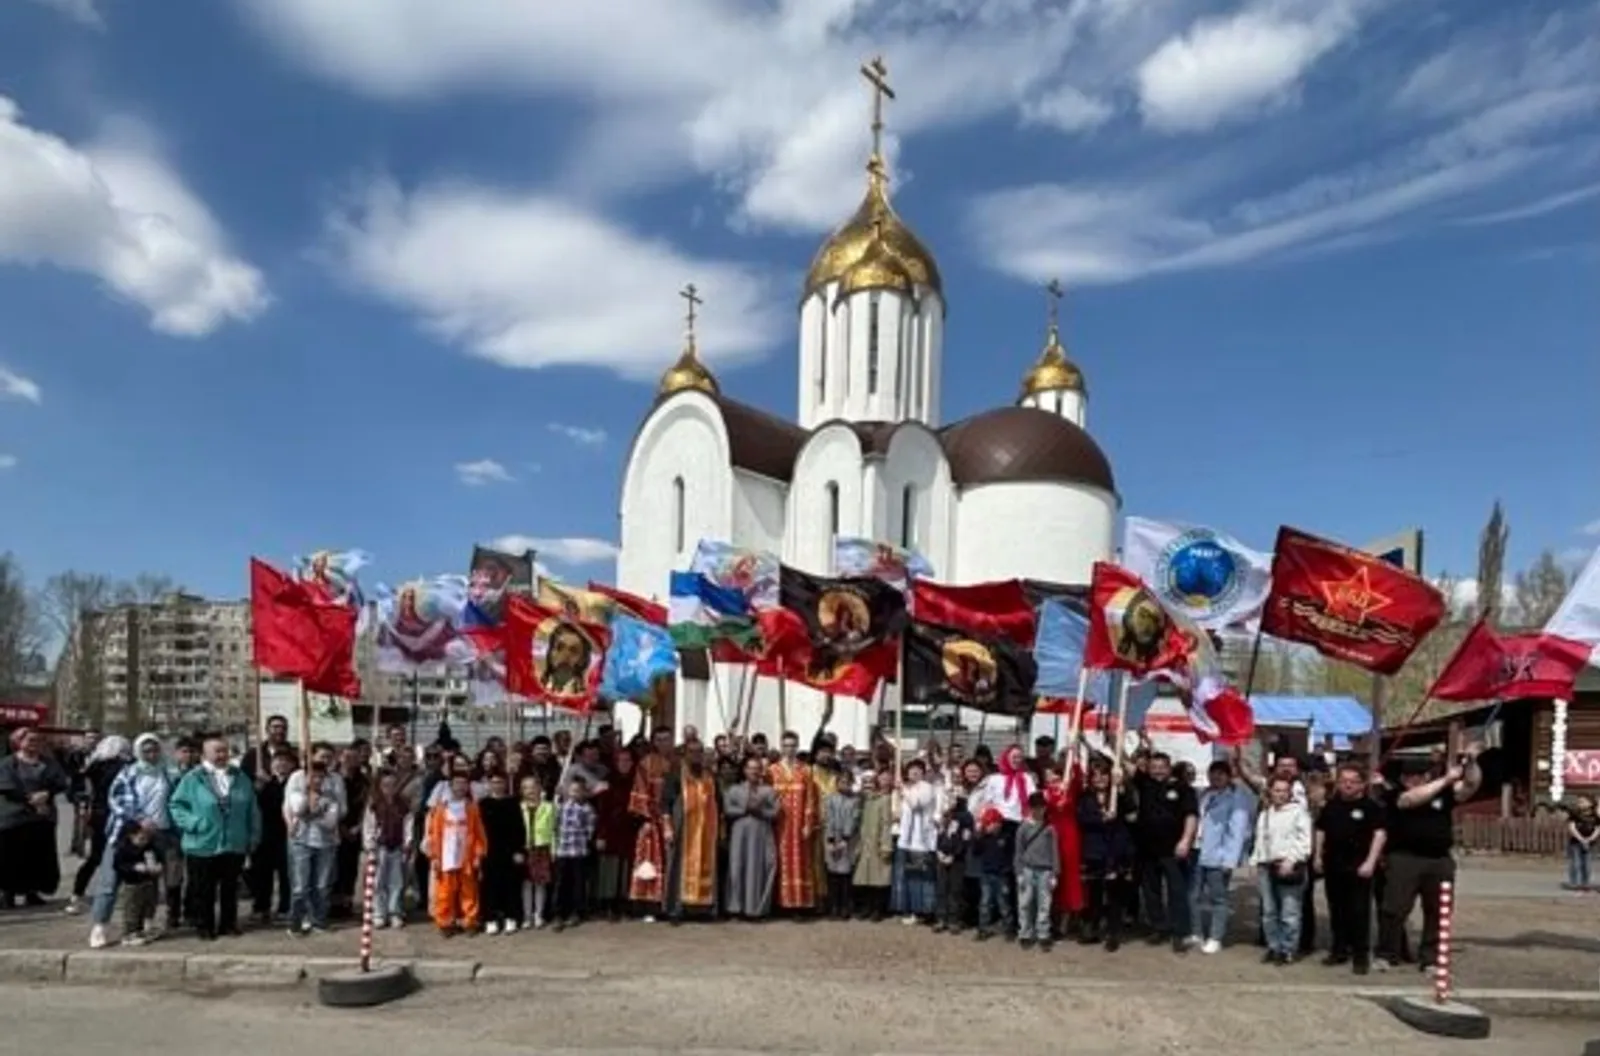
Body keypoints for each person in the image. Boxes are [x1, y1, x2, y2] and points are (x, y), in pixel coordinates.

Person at [1380, 749, 1481, 973]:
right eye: (1406, 776)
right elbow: (1409, 801)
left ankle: (1431, 958)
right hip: (1405, 858)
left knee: (1438, 911)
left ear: (1426, 776)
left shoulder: (1443, 794)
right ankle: (1388, 953)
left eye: (1415, 776)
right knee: (1394, 908)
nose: (1409, 780)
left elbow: (1470, 786)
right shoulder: (1395, 794)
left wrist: (1471, 763)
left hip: (1439, 860)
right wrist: (1446, 779)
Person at [167, 735, 261, 941]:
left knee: (230, 887)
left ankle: (228, 923)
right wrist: (194, 823)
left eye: (224, 751)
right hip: (203, 842)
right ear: (205, 754)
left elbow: (252, 809)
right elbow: (176, 805)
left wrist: (253, 835)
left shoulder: (240, 777)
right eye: (216, 751)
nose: (221, 755)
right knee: (204, 888)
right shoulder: (193, 778)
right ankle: (204, 925)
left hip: (233, 841)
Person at [88, 734, 174, 948]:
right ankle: (100, 925)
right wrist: (139, 819)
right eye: (146, 751)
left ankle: (145, 923)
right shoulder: (129, 772)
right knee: (111, 880)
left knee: (147, 881)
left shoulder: (166, 772)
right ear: (137, 752)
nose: (152, 755)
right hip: (125, 834)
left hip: (155, 836)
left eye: (155, 750)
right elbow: (117, 800)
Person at [1314, 763, 1387, 974]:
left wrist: (1371, 862)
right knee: (1336, 910)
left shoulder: (1372, 807)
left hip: (1359, 865)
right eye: (1343, 781)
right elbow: (1321, 830)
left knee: (1359, 911)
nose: (1347, 785)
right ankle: (1339, 950)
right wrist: (1318, 855)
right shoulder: (1331, 806)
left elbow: (1379, 835)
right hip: (1333, 864)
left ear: (1362, 785)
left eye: (1352, 782)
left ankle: (1360, 956)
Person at [1131, 751, 1198, 953]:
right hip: (1147, 849)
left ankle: (1180, 933)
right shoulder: (1144, 784)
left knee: (1177, 892)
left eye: (1162, 767)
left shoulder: (1183, 788)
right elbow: (1124, 764)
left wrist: (1186, 840)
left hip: (1173, 849)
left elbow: (1191, 816)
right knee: (1151, 892)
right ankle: (1159, 927)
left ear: (1169, 768)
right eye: (1154, 768)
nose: (1158, 771)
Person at [1190, 760, 1253, 954]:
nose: (1216, 777)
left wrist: (1229, 860)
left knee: (1218, 898)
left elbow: (1238, 830)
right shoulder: (1204, 794)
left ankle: (1215, 936)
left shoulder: (1236, 798)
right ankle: (1196, 932)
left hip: (1218, 854)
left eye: (1221, 774)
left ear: (1228, 776)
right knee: (1192, 895)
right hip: (1197, 850)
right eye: (1213, 773)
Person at [66, 735, 131, 915]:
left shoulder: (93, 767)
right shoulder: (125, 767)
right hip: (118, 814)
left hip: (98, 814)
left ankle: (76, 895)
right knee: (123, 854)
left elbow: (77, 788)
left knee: (95, 857)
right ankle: (124, 893)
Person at [1252, 775, 1312, 966]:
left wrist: (1292, 860)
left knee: (1289, 912)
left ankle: (1288, 949)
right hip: (1266, 865)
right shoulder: (1265, 813)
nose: (1280, 794)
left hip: (1288, 865)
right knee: (1269, 911)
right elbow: (1261, 840)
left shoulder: (1299, 813)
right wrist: (1257, 861)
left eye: (1284, 791)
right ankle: (1274, 946)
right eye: (1277, 790)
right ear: (1270, 791)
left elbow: (1305, 842)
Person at [659, 741, 721, 924]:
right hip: (682, 830)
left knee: (707, 868)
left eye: (699, 752)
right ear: (685, 754)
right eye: (692, 752)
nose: (696, 755)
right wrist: (668, 826)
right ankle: (676, 909)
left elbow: (719, 804)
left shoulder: (710, 778)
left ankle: (703, 908)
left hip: (706, 832)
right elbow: (665, 804)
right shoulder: (675, 777)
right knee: (678, 868)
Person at [1077, 763, 1134, 952]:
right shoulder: (1086, 797)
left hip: (1114, 850)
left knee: (1114, 894)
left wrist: (1122, 787)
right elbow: (1082, 818)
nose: (1099, 779)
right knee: (1094, 893)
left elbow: (1130, 810)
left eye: (1103, 775)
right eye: (1096, 776)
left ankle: (1113, 933)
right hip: (1094, 851)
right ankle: (1092, 928)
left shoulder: (1117, 795)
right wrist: (1101, 818)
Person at [284, 761, 342, 935]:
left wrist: (315, 813)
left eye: (320, 776)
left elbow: (330, 822)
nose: (316, 780)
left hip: (325, 844)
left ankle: (319, 920)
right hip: (302, 842)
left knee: (322, 885)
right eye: (312, 776)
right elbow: (297, 810)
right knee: (300, 886)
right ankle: (296, 922)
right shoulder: (297, 793)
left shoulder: (331, 796)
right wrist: (308, 804)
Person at [425, 771, 486, 936]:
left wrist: (478, 854)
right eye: (456, 783)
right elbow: (433, 834)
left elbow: (479, 834)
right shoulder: (440, 808)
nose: (460, 787)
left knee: (469, 890)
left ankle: (470, 921)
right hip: (446, 856)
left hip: (466, 856)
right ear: (450, 786)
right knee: (445, 892)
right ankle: (445, 922)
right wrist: (435, 857)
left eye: (463, 783)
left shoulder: (472, 808)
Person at [627, 727, 676, 918]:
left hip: (676, 818)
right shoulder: (646, 763)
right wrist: (646, 817)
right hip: (653, 821)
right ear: (654, 742)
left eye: (667, 739)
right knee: (650, 863)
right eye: (660, 739)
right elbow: (640, 791)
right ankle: (650, 906)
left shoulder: (678, 762)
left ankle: (670, 904)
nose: (664, 743)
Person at [768, 731, 817, 916]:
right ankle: (779, 903)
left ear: (797, 747)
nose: (789, 749)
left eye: (792, 745)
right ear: (781, 747)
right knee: (779, 861)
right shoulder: (771, 771)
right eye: (786, 745)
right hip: (778, 825)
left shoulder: (805, 770)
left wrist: (808, 824)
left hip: (798, 826)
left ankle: (797, 903)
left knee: (799, 862)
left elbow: (811, 799)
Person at [725, 755, 779, 921]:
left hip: (761, 834)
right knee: (737, 867)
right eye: (750, 768)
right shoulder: (734, 790)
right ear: (744, 770)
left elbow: (776, 813)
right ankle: (736, 908)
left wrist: (760, 811)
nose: (754, 771)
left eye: (757, 768)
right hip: (740, 834)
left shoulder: (768, 791)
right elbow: (728, 810)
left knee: (760, 867)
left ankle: (756, 909)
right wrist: (745, 809)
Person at [247, 748, 295, 926]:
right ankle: (261, 907)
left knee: (286, 874)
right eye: (277, 761)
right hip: (265, 834)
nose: (281, 765)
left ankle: (285, 907)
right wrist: (259, 788)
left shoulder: (295, 784)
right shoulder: (262, 784)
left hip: (287, 834)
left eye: (285, 761)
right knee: (262, 874)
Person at [362, 769, 414, 929]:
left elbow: (408, 824)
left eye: (392, 785)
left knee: (396, 882)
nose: (389, 788)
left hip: (397, 847)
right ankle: (379, 912)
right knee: (378, 882)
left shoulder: (403, 805)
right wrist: (370, 845)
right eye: (385, 785)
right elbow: (368, 826)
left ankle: (395, 912)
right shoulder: (374, 804)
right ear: (379, 786)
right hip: (380, 847)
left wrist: (408, 842)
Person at [593, 747, 638, 920]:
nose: (625, 764)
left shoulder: (637, 781)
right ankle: (609, 905)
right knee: (610, 870)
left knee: (626, 869)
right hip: (610, 830)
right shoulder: (607, 782)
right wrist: (600, 835)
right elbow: (601, 811)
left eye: (628, 760)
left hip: (630, 831)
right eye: (621, 760)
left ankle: (625, 904)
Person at [892, 758, 938, 923]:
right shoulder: (906, 788)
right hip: (906, 840)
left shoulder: (926, 787)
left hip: (921, 841)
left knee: (922, 877)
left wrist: (903, 789)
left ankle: (924, 911)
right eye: (911, 770)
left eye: (918, 770)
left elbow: (916, 804)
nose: (914, 772)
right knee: (908, 876)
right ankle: (908, 909)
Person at [1014, 791, 1060, 951]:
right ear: (1030, 808)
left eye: (1041, 807)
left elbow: (1055, 851)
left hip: (1045, 870)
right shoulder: (1023, 828)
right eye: (1035, 808)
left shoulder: (1050, 828)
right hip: (1027, 869)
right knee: (1025, 903)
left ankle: (1043, 933)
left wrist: (1055, 873)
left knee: (1044, 904)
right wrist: (1018, 872)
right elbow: (1018, 852)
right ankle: (1025, 933)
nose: (1038, 811)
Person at [553, 774, 596, 930]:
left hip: (579, 852)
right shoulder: (561, 806)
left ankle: (576, 912)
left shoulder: (588, 809)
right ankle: (558, 913)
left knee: (578, 884)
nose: (575, 793)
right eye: (572, 790)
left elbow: (589, 830)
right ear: (567, 791)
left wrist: (584, 842)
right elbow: (555, 827)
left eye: (578, 791)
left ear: (584, 792)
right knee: (560, 884)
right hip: (562, 851)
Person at [109, 820, 163, 947]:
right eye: (140, 838)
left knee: (145, 907)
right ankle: (128, 934)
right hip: (131, 884)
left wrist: (158, 865)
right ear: (131, 836)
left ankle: (140, 930)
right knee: (131, 909)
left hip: (147, 882)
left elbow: (158, 857)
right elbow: (118, 866)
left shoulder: (149, 847)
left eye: (145, 838)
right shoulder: (123, 849)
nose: (143, 841)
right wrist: (134, 867)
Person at [852, 768, 894, 920]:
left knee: (878, 877)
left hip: (878, 841)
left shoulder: (884, 799)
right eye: (866, 784)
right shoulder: (864, 801)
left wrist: (885, 844)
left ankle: (877, 909)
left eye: (871, 783)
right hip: (864, 842)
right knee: (865, 878)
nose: (868, 786)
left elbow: (886, 823)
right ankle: (867, 907)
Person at [822, 769, 861, 921]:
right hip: (832, 837)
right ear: (837, 783)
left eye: (847, 782)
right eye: (841, 782)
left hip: (848, 840)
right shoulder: (830, 799)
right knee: (832, 875)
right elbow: (829, 817)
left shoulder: (855, 800)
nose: (844, 785)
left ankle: (845, 906)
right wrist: (831, 840)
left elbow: (854, 819)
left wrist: (845, 838)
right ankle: (833, 906)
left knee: (845, 875)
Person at [518, 776, 555, 928]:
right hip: (526, 848)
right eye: (526, 788)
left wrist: (554, 850)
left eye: (533, 787)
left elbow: (553, 830)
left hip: (542, 847)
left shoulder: (549, 807)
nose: (530, 790)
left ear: (540, 788)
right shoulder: (519, 807)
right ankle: (527, 916)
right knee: (526, 884)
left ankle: (538, 914)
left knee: (540, 883)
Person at [933, 793, 973, 935]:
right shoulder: (945, 816)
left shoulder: (966, 817)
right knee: (941, 889)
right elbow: (939, 833)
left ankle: (954, 920)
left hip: (957, 859)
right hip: (941, 856)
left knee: (955, 890)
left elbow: (966, 838)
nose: (950, 802)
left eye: (953, 799)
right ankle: (940, 918)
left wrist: (955, 855)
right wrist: (938, 851)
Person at [972, 806, 1009, 941]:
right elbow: (976, 852)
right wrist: (978, 835)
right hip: (986, 874)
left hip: (1001, 875)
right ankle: (983, 929)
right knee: (985, 903)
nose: (990, 827)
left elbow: (1009, 855)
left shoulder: (1004, 838)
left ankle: (1008, 928)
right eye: (988, 824)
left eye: (992, 823)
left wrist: (1006, 869)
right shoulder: (983, 838)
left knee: (1003, 903)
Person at [1565, 795, 1597, 890]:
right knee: (1576, 863)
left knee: (1587, 864)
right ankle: (1574, 882)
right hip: (1575, 842)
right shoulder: (1574, 814)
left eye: (1583, 802)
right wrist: (1581, 838)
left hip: (1590, 843)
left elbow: (1597, 828)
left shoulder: (1594, 816)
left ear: (1590, 803)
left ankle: (1585, 883)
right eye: (1579, 802)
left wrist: (1591, 838)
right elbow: (1571, 827)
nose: (1580, 804)